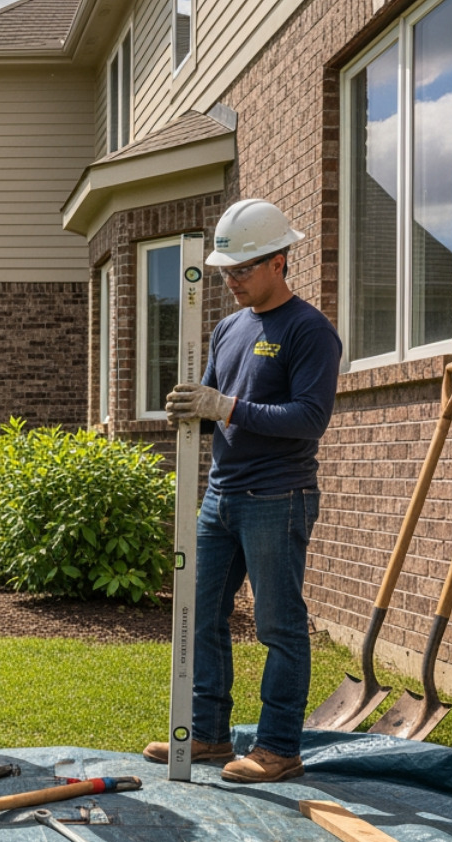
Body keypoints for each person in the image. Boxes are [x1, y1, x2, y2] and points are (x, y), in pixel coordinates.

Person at [143, 198, 342, 783]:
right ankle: (208, 734)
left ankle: (280, 747)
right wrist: (193, 411)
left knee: (278, 626)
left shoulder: (309, 331)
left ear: (280, 261)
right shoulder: (228, 328)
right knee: (198, 614)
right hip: (221, 496)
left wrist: (224, 406)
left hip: (277, 499)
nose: (230, 281)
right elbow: (213, 408)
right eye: (225, 271)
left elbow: (308, 417)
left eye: (243, 270)